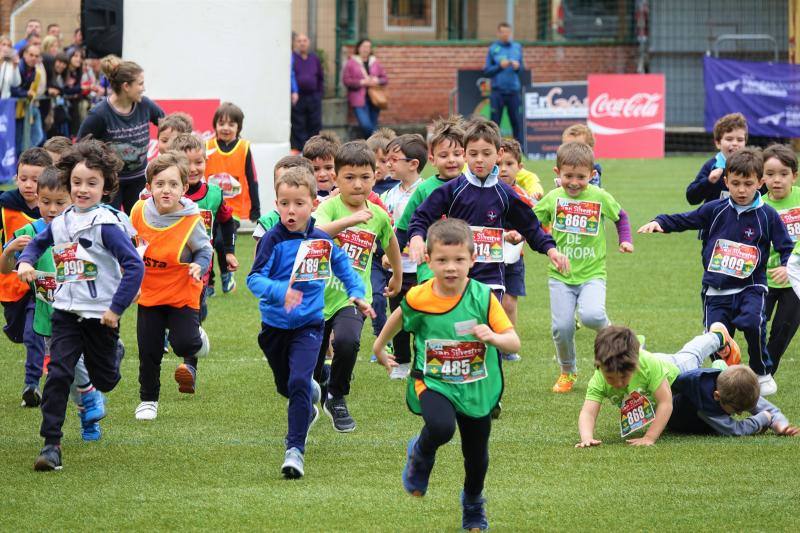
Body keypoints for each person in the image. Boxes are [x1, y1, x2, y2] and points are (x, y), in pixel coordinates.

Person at [374, 218, 520, 531]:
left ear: (473, 260)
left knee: (477, 456)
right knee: (441, 428)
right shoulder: (419, 296)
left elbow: (513, 340)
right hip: (434, 380)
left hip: (475, 385)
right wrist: (378, 347)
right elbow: (398, 318)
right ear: (428, 260)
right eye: (442, 260)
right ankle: (421, 452)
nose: (450, 268)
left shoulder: (482, 296)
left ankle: (472, 502)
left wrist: (493, 338)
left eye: (458, 260)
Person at [17, 139, 144, 471]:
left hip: (101, 317)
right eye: (76, 182)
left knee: (106, 380)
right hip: (65, 313)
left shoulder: (107, 225)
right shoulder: (61, 221)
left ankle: (113, 354)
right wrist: (26, 263)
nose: (82, 189)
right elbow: (36, 244)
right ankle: (51, 446)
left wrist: (115, 309)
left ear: (106, 187)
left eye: (92, 183)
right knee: (58, 373)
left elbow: (134, 267)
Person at [247, 166, 373, 478]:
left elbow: (344, 268)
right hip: (275, 328)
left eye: (299, 203)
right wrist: (280, 292)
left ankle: (294, 451)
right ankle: (312, 396)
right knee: (287, 386)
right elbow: (254, 279)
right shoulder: (271, 241)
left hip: (309, 326)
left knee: (299, 382)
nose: (291, 210)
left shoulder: (322, 241)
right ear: (276, 204)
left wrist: (357, 294)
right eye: (284, 203)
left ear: (313, 204)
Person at [638, 148, 794, 396]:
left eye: (748, 184)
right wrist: (661, 222)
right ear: (726, 182)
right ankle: (724, 379)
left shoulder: (768, 215)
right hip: (716, 289)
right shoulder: (715, 208)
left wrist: (786, 266)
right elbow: (686, 219)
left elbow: (786, 245)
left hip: (751, 287)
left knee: (753, 323)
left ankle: (761, 371)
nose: (741, 190)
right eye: (735, 183)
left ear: (760, 183)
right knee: (716, 339)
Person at [407, 118, 568, 298]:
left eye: (486, 153)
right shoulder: (452, 190)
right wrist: (416, 238)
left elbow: (530, 227)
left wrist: (551, 250)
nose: (480, 160)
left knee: (486, 325)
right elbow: (421, 216)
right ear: (465, 154)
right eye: (473, 154)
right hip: (459, 276)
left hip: (492, 279)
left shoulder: (505, 194)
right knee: (462, 326)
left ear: (498, 154)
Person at [0, 166, 106, 441]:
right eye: (45, 202)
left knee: (77, 363)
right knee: (63, 369)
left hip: (82, 310)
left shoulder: (81, 228)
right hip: (48, 315)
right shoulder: (29, 231)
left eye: (60, 202)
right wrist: (11, 252)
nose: (52, 209)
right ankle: (88, 410)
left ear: (72, 200)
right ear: (36, 199)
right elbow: (4, 268)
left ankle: (90, 400)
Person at [312, 141, 402, 432]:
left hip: (352, 297)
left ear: (375, 177)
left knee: (348, 341)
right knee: (312, 359)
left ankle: (337, 396)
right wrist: (350, 220)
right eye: (349, 177)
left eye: (365, 177)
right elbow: (314, 230)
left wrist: (397, 275)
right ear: (336, 179)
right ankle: (317, 386)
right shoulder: (328, 207)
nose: (358, 184)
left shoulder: (377, 215)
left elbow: (390, 241)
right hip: (315, 296)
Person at [534, 142, 633, 392]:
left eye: (581, 177)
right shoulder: (553, 198)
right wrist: (518, 233)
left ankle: (616, 339)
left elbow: (621, 216)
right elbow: (532, 220)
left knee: (592, 315)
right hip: (560, 276)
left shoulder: (599, 196)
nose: (574, 182)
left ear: (592, 175)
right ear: (557, 173)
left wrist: (625, 240)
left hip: (592, 274)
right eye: (568, 176)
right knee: (562, 327)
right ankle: (568, 370)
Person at [130, 152, 212, 420]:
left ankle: (196, 337)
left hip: (182, 293)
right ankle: (148, 400)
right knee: (149, 351)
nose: (166, 190)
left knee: (184, 344)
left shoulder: (192, 220)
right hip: (150, 293)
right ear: (149, 186)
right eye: (160, 183)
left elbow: (204, 250)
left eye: (173, 184)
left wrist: (199, 264)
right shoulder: (138, 211)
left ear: (184, 189)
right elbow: (129, 247)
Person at [576, 324, 741, 448]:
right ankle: (719, 367)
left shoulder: (649, 365)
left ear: (634, 364)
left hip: (677, 371)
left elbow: (665, 403)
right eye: (611, 378)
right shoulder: (598, 379)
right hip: (660, 382)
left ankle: (718, 335)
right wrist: (586, 437)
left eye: (624, 377)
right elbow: (588, 412)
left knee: (691, 355)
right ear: (599, 366)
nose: (619, 383)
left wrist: (649, 437)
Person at [77, 55, 165, 213]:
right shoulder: (99, 114)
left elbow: (167, 125)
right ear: (126, 86)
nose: (143, 88)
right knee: (111, 226)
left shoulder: (144, 105)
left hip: (139, 181)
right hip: (111, 184)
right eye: (140, 84)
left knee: (140, 226)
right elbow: (79, 146)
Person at [0, 148, 51, 406]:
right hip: (11, 286)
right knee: (18, 332)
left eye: (36, 179)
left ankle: (32, 385)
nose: (29, 185)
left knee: (34, 333)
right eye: (23, 178)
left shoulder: (57, 209)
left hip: (40, 285)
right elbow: (3, 264)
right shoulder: (5, 206)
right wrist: (10, 248)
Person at [172, 133, 236, 319]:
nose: (192, 169)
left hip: (202, 263)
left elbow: (227, 221)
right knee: (170, 303)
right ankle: (167, 334)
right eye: (186, 163)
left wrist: (229, 251)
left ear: (206, 161)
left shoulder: (214, 194)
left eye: (198, 162)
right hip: (172, 261)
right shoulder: (168, 193)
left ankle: (191, 335)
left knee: (198, 309)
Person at [395, 116, 466, 285]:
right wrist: (391, 255)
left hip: (464, 261)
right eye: (444, 155)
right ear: (432, 159)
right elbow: (404, 227)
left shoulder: (472, 186)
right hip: (430, 265)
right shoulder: (424, 189)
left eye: (457, 154)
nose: (451, 160)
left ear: (465, 155)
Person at [380, 134, 427, 379]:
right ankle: (401, 362)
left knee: (421, 318)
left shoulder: (427, 192)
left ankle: (421, 361)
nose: (388, 164)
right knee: (397, 317)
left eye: (394, 159)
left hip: (419, 269)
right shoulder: (389, 195)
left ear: (413, 164)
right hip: (395, 271)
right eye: (387, 159)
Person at [205, 101, 260, 294]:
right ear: (215, 125)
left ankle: (227, 275)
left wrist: (256, 208)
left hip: (233, 209)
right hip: (209, 208)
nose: (226, 128)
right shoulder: (207, 147)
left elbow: (252, 179)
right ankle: (208, 283)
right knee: (207, 243)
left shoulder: (244, 148)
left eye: (231, 124)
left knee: (221, 242)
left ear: (238, 127)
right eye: (221, 123)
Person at [496, 138, 539, 362]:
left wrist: (520, 234)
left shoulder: (524, 197)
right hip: (486, 257)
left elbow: (537, 224)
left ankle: (508, 346)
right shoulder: (485, 192)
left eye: (509, 164)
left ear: (520, 168)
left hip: (514, 258)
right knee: (487, 300)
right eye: (500, 163)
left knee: (509, 302)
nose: (503, 169)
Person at [670, 364, 799, 437]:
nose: (739, 414)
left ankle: (720, 362)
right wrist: (762, 419)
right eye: (737, 410)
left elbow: (771, 411)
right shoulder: (704, 403)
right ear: (717, 396)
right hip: (678, 420)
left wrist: (780, 425)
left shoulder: (737, 388)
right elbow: (734, 430)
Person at [761, 144, 800, 375]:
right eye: (770, 174)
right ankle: (753, 368)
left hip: (794, 282)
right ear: (761, 177)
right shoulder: (759, 206)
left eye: (784, 174)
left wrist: (791, 265)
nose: (777, 180)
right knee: (754, 326)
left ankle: (764, 376)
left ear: (794, 176)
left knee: (782, 332)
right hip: (764, 280)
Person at [366, 128, 398, 341]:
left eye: (386, 161)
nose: (380, 166)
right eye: (375, 161)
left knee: (399, 300)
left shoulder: (400, 187)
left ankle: (399, 339)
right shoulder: (362, 188)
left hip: (397, 253)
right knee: (376, 298)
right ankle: (381, 338)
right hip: (373, 255)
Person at [686, 113, 747, 205]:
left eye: (740, 140)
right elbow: (692, 198)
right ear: (718, 143)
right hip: (714, 218)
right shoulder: (711, 166)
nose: (735, 143)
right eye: (729, 139)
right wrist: (708, 181)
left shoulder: (752, 166)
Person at [252, 155, 315, 241]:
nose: (287, 184)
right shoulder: (269, 221)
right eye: (282, 180)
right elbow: (259, 253)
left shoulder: (318, 218)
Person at [483, 22, 524, 142]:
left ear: (511, 33)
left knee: (517, 122)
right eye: (503, 32)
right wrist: (500, 66)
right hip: (497, 92)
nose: (506, 35)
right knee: (494, 125)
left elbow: (522, 70)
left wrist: (517, 67)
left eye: (508, 32)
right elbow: (487, 71)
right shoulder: (493, 49)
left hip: (513, 92)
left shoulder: (517, 47)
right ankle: (493, 149)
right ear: (498, 33)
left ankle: (520, 151)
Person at [342, 38, 388, 138]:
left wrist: (377, 80)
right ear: (358, 48)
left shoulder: (375, 62)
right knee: (366, 125)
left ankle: (372, 149)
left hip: (375, 98)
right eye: (364, 46)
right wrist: (361, 82)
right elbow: (346, 80)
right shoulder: (351, 62)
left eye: (368, 47)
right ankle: (376, 143)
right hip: (358, 99)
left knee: (374, 124)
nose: (366, 49)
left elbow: (385, 79)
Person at [290, 33, 324, 152]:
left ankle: (313, 150)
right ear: (295, 43)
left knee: (314, 124)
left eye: (304, 40)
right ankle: (302, 151)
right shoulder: (292, 57)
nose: (302, 43)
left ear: (308, 42)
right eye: (299, 41)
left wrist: (319, 94)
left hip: (314, 97)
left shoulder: (314, 58)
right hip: (298, 98)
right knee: (299, 125)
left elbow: (320, 77)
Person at [11, 44, 45, 155]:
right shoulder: (17, 67)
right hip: (12, 110)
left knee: (37, 136)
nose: (34, 58)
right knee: (17, 141)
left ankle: (24, 156)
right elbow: (12, 88)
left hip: (25, 108)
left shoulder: (35, 71)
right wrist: (26, 93)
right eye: (31, 55)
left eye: (36, 56)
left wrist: (29, 94)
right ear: (24, 55)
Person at [302, 133, 339, 198]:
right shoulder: (304, 195)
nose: (322, 174)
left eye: (328, 168)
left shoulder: (344, 191)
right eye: (315, 169)